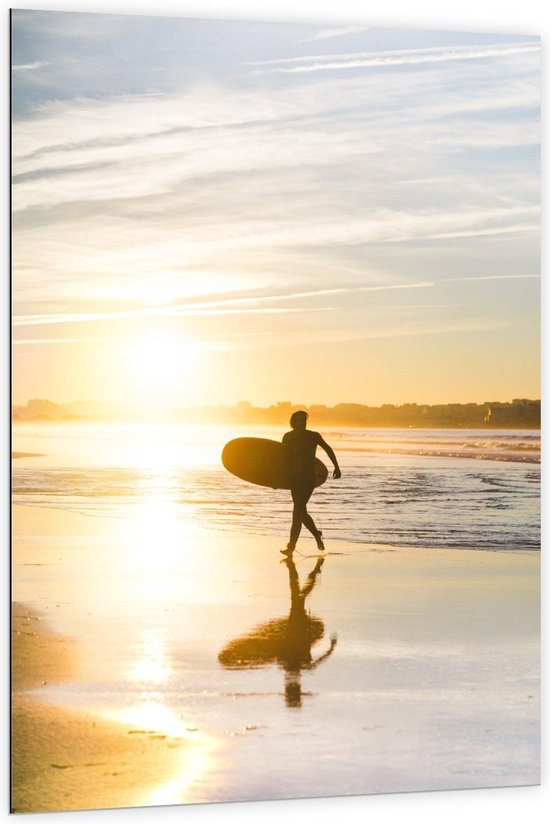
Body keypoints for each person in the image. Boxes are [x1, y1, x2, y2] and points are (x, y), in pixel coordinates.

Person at [281, 410, 341, 555]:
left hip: (308, 478)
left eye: (305, 420)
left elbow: (328, 449)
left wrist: (336, 467)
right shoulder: (287, 437)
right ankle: (317, 535)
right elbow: (282, 460)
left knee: (297, 512)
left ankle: (291, 547)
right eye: (300, 420)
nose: (303, 422)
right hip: (294, 479)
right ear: (293, 422)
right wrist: (277, 479)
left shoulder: (313, 436)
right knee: (302, 513)